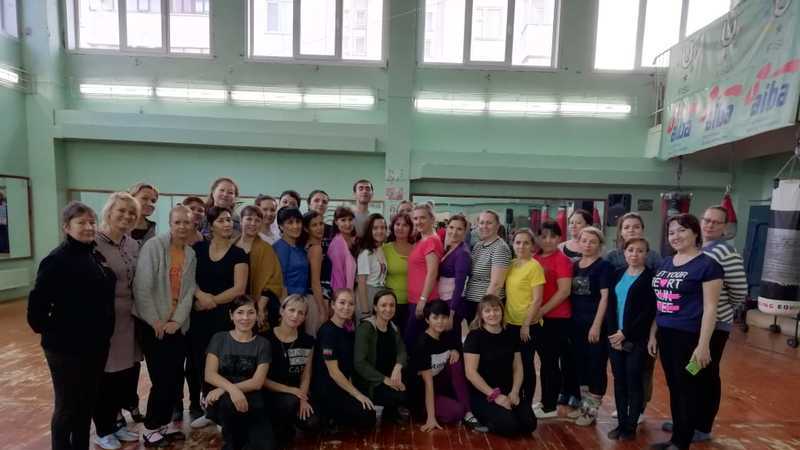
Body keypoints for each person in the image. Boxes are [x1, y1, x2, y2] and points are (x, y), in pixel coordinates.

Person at [27, 202, 116, 450]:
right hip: (66, 349)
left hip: (95, 345)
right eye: (81, 222)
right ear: (67, 227)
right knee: (67, 406)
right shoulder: (56, 260)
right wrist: (59, 331)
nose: (88, 227)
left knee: (86, 403)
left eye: (92, 222)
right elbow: (36, 310)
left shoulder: (94, 254)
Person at [649, 214, 722, 450]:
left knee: (688, 389)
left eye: (682, 230)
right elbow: (661, 300)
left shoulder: (708, 266)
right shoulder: (665, 263)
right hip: (666, 334)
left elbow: (711, 308)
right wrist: (653, 333)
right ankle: (676, 438)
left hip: (689, 336)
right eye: (671, 232)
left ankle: (682, 442)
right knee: (675, 386)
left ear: (695, 233)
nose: (676, 236)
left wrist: (703, 345)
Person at [134, 205, 198, 446]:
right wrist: (156, 321)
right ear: (170, 224)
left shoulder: (190, 253)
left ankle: (163, 425)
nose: (182, 226)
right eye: (177, 222)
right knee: (162, 379)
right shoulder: (154, 247)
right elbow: (142, 287)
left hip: (176, 326)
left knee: (174, 378)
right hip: (152, 325)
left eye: (187, 222)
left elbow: (188, 291)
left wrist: (176, 321)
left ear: (193, 225)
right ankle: (151, 428)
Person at [690, 206, 748, 441]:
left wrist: (721, 310)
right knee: (691, 372)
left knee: (706, 374)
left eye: (716, 222)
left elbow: (740, 291)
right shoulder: (696, 249)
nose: (710, 225)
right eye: (707, 220)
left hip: (714, 325)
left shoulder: (726, 252)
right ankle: (686, 419)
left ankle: (703, 426)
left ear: (725, 227)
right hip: (692, 324)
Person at [189, 206, 249, 428]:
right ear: (211, 225)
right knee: (202, 361)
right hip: (199, 313)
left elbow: (239, 288)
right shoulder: (198, 249)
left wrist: (211, 300)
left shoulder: (239, 254)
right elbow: (189, 278)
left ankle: (224, 411)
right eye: (222, 220)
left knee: (224, 363)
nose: (227, 224)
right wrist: (200, 296)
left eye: (230, 220)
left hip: (225, 315)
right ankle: (209, 411)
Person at [92, 193, 143, 449]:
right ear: (109, 211)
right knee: (105, 376)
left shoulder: (132, 244)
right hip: (104, 319)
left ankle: (116, 423)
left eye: (132, 213)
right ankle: (102, 429)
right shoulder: (93, 242)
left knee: (124, 375)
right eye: (121, 210)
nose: (127, 216)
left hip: (130, 317)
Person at [605, 212, 661, 421]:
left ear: (642, 230)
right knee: (621, 373)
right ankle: (624, 407)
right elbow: (611, 295)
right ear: (620, 231)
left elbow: (653, 301)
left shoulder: (653, 257)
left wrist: (647, 332)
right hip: (618, 325)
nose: (631, 230)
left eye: (636, 226)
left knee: (642, 370)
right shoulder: (612, 257)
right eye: (627, 227)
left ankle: (639, 408)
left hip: (642, 328)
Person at [205, 295, 273, 450]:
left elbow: (257, 383)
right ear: (231, 315)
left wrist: (225, 389)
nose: (245, 318)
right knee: (235, 440)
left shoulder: (263, 344)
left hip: (252, 401)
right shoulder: (219, 338)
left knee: (266, 446)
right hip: (224, 402)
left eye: (251, 312)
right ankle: (229, 435)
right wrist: (231, 390)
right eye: (240, 312)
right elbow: (209, 374)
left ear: (257, 315)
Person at [463, 295, 537, 436]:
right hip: (485, 394)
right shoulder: (474, 336)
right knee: (510, 426)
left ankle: (505, 416)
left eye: (496, 310)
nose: (492, 314)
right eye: (487, 311)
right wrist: (495, 396)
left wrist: (515, 391)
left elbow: (518, 367)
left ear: (502, 312)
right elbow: (470, 373)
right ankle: (483, 421)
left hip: (508, 391)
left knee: (530, 424)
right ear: (481, 315)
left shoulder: (510, 334)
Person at [411, 300, 484, 432]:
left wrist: (455, 351)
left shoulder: (447, 335)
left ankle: (468, 413)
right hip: (422, 393)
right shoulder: (422, 344)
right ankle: (429, 412)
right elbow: (427, 383)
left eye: (444, 317)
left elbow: (455, 357)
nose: (440, 321)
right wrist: (431, 417)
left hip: (440, 386)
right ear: (427, 320)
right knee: (457, 411)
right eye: (435, 318)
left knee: (456, 363)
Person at [531, 221, 579, 417]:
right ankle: (545, 401)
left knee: (550, 362)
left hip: (556, 318)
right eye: (543, 236)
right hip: (537, 317)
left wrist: (542, 310)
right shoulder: (534, 258)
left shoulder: (562, 260)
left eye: (553, 236)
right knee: (544, 361)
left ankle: (549, 406)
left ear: (559, 238)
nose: (548, 240)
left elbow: (564, 291)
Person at [312, 289, 377, 431]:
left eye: (351, 304)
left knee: (369, 411)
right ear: (333, 305)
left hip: (341, 387)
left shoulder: (346, 332)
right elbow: (334, 373)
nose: (346, 307)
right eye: (342, 302)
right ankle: (328, 416)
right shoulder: (327, 331)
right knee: (367, 416)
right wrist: (357, 395)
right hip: (327, 390)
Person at [263, 295, 320, 448]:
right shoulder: (265, 339)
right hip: (270, 393)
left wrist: (303, 399)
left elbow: (306, 376)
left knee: (313, 423)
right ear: (282, 311)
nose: (295, 316)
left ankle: (289, 421)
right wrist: (291, 391)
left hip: (296, 394)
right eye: (291, 310)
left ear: (305, 317)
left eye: (301, 313)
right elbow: (261, 379)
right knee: (289, 403)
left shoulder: (308, 341)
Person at [569, 226, 613, 426]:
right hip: (575, 324)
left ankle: (592, 410)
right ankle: (584, 406)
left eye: (592, 241)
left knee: (596, 365)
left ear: (600, 245)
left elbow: (605, 297)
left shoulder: (604, 266)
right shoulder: (575, 265)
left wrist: (596, 325)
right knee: (580, 365)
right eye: (584, 240)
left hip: (595, 324)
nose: (587, 245)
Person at [503, 229, 545, 410]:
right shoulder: (512, 264)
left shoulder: (534, 267)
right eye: (518, 242)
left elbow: (537, 299)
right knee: (513, 364)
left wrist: (526, 324)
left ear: (532, 246)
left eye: (526, 243)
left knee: (526, 365)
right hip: (510, 323)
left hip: (528, 325)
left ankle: (526, 405)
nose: (521, 246)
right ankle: (515, 399)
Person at [354, 289, 408, 424]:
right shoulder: (366, 328)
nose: (388, 309)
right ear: (375, 307)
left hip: (390, 377)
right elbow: (359, 363)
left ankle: (391, 410)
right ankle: (388, 407)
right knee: (400, 396)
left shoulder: (393, 327)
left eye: (392, 305)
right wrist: (384, 379)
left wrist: (398, 367)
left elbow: (402, 351)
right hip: (371, 382)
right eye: (383, 305)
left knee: (411, 386)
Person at [235, 206, 285, 333]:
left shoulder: (266, 248)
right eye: (249, 219)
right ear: (241, 221)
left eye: (257, 220)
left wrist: (260, 307)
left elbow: (273, 281)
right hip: (234, 302)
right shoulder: (231, 244)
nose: (253, 223)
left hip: (259, 303)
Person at [406, 204, 444, 351]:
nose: (418, 221)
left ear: (432, 219)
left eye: (423, 218)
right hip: (415, 299)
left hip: (424, 301)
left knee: (412, 343)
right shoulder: (422, 240)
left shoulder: (431, 241)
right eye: (415, 218)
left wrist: (423, 299)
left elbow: (432, 272)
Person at [464, 210, 512, 322]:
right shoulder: (479, 245)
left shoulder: (500, 248)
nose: (484, 226)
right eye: (481, 223)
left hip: (487, 306)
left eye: (489, 223)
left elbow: (496, 284)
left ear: (497, 226)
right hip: (472, 302)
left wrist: (484, 310)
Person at [438, 214, 471, 333]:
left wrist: (451, 313)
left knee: (452, 339)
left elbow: (459, 286)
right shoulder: (450, 247)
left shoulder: (462, 253)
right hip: (444, 300)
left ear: (465, 232)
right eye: (451, 227)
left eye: (459, 229)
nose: (454, 232)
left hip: (452, 304)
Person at [384, 212, 414, 333]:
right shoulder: (385, 249)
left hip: (412, 303)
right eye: (397, 224)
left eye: (405, 225)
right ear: (393, 226)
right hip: (390, 304)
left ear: (410, 229)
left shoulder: (416, 249)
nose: (400, 228)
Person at [303, 211, 332, 334]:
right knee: (315, 337)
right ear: (306, 229)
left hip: (316, 297)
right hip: (317, 299)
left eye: (321, 223)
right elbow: (315, 282)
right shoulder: (316, 249)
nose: (319, 228)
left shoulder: (310, 245)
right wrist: (322, 310)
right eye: (314, 225)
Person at [356, 214, 388, 319]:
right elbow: (361, 283)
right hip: (367, 295)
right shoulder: (366, 253)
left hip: (380, 295)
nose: (380, 231)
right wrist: (365, 311)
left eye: (383, 227)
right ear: (369, 230)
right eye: (375, 228)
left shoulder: (381, 249)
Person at [273, 207, 310, 298]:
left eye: (298, 221)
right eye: (290, 222)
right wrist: (286, 304)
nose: (295, 226)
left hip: (302, 298)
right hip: (288, 300)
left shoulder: (300, 247)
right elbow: (280, 281)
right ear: (281, 226)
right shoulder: (280, 248)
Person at [328, 206, 358, 309]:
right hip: (343, 295)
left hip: (357, 291)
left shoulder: (356, 240)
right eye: (343, 220)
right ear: (336, 222)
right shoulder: (336, 244)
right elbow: (338, 276)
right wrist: (344, 299)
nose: (348, 224)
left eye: (350, 219)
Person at [128, 182, 159, 248]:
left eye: (153, 201)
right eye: (144, 198)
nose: (150, 204)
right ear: (131, 199)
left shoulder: (152, 229)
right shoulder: (119, 226)